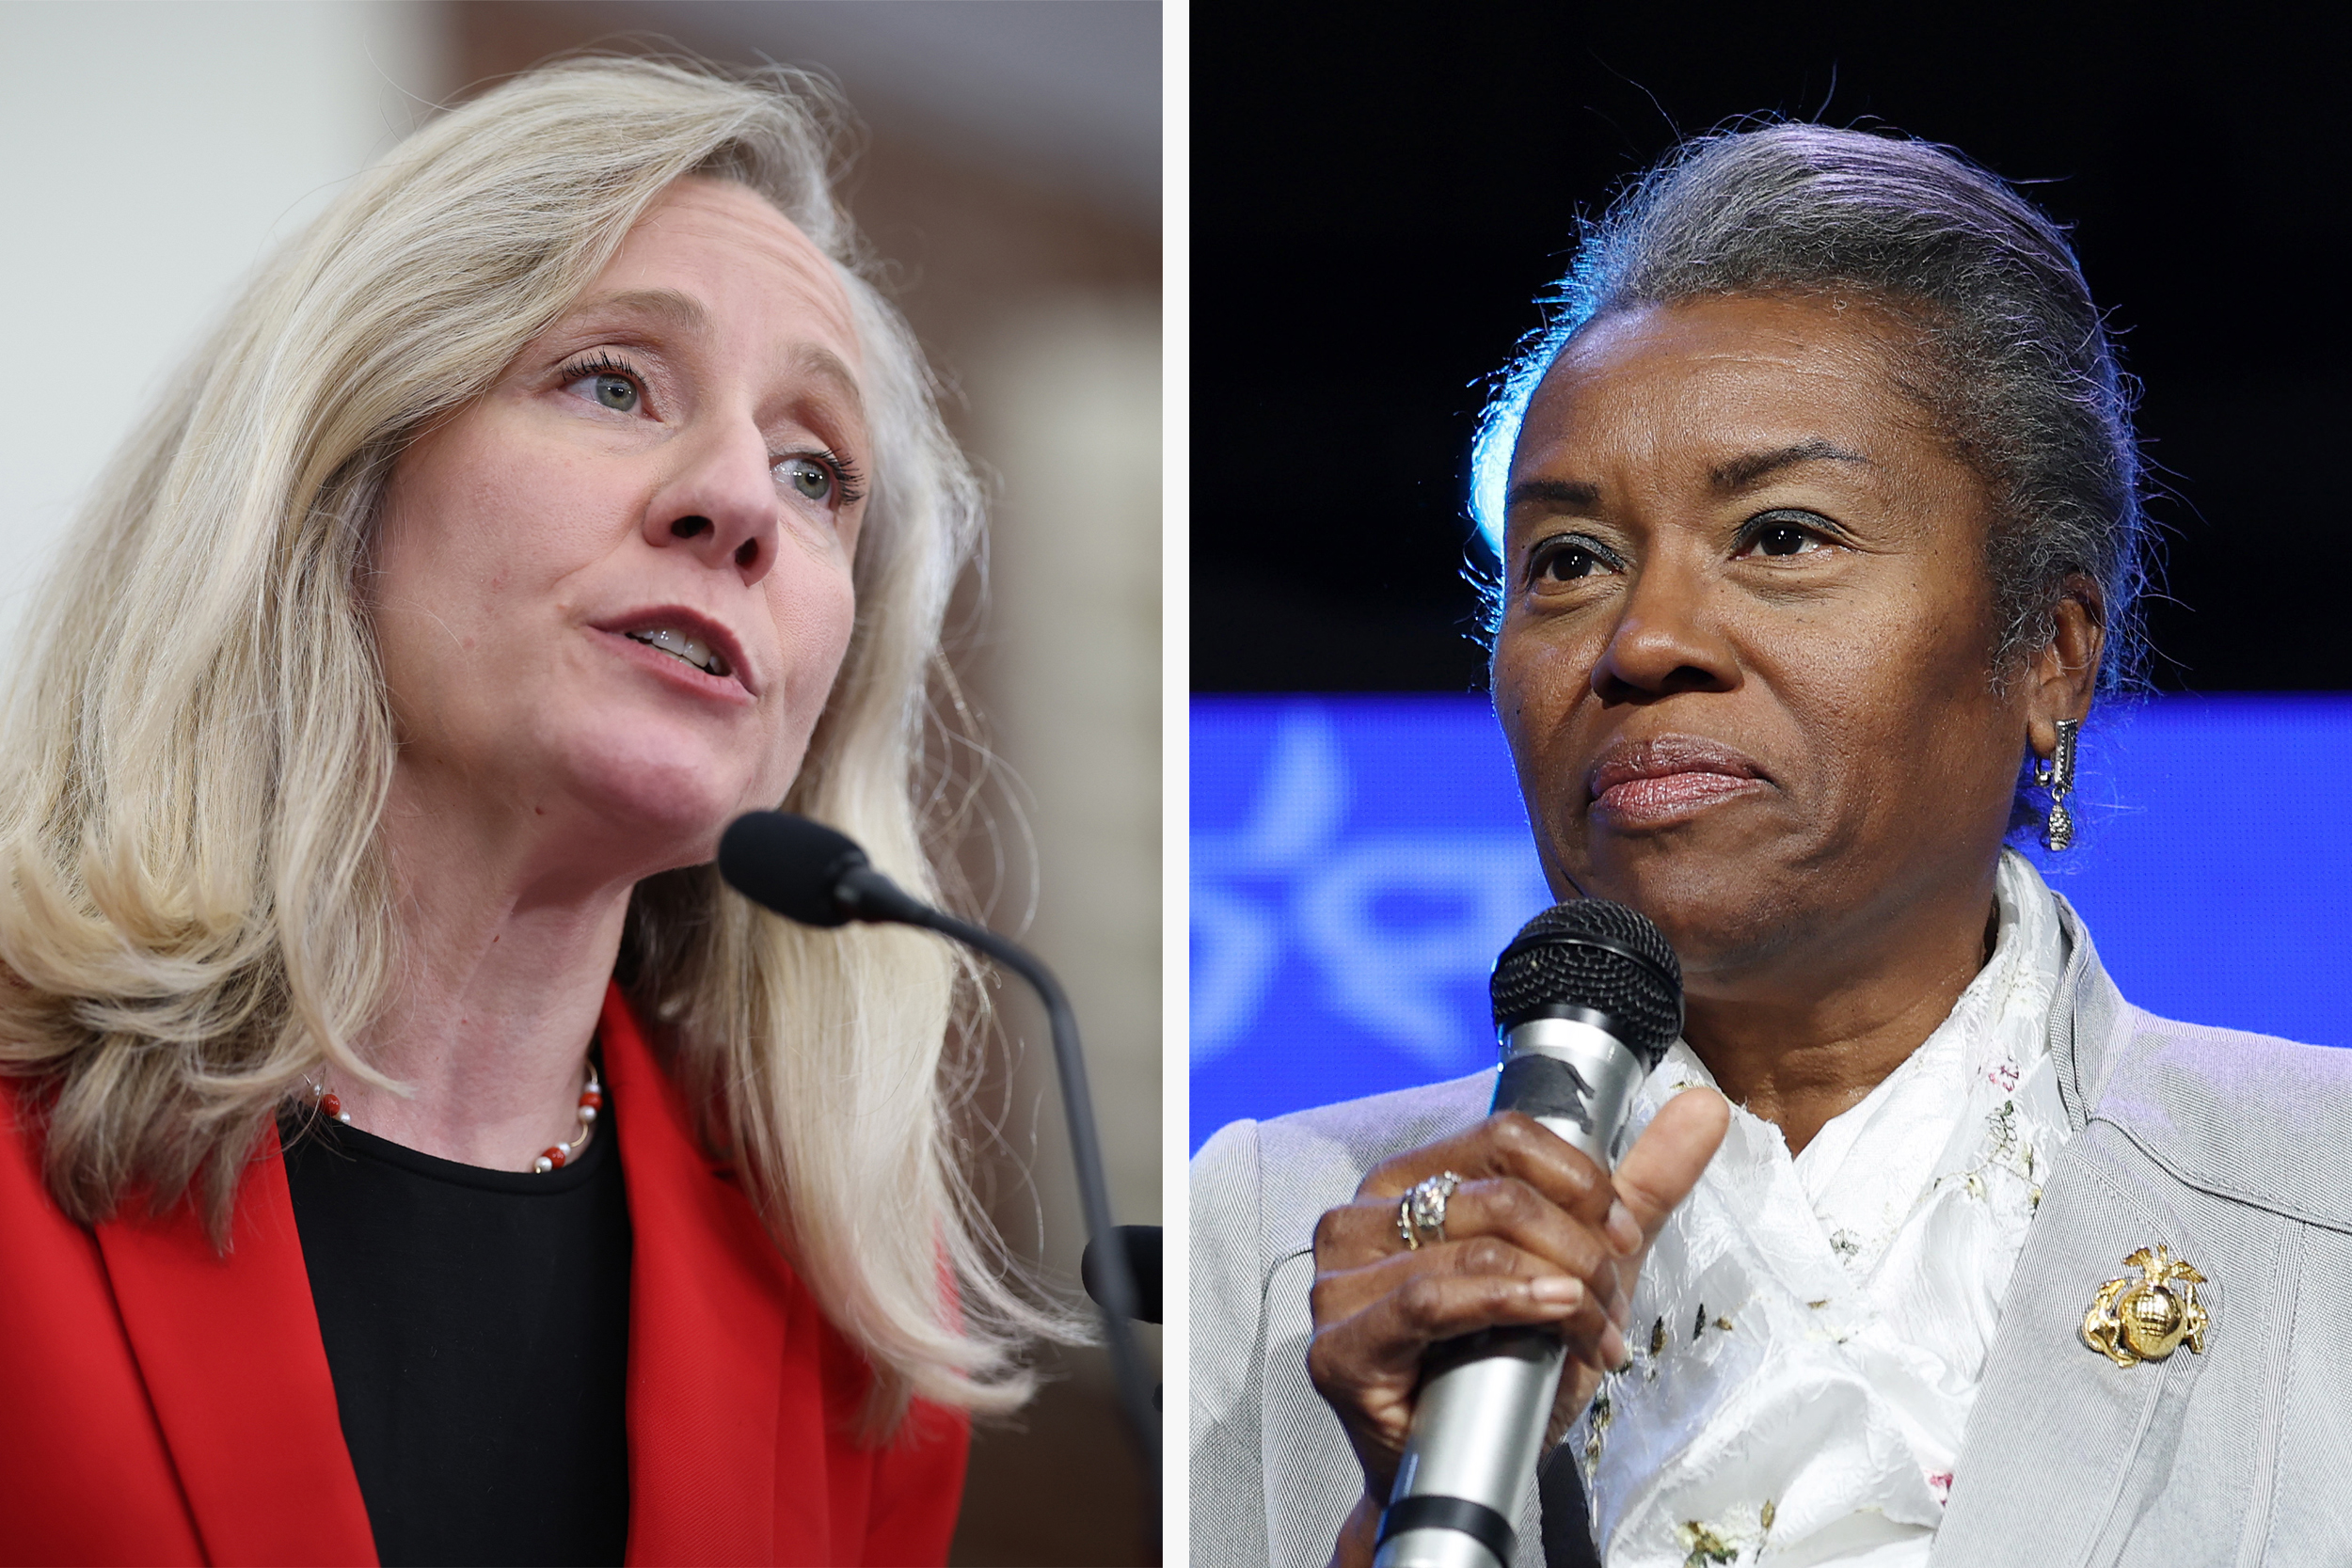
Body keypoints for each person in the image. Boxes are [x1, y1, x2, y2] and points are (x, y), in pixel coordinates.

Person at [1191, 122, 2352, 1567]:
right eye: (1568, 561)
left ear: (2050, 653)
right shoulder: (1255, 1244)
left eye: (1783, 536)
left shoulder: (2319, 1199)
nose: (1646, 640)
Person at [0, 56, 1072, 1567]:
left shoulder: (858, 1337)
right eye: (612, 381)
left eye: (816, 470)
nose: (740, 505)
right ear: (334, 477)